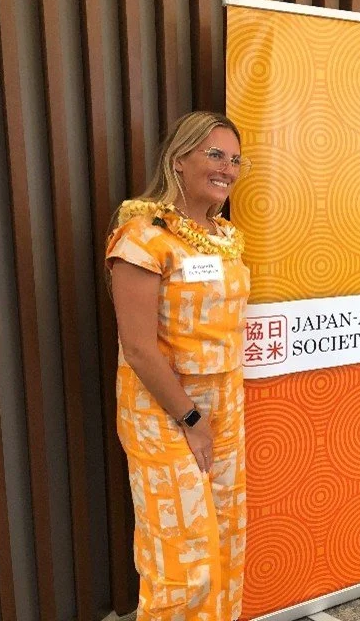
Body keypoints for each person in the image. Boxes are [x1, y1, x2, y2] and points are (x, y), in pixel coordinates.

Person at [106, 111, 252, 620]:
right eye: (215, 154)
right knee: (183, 562)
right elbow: (139, 347)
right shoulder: (143, 237)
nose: (227, 168)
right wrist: (191, 418)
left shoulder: (225, 235)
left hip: (225, 405)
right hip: (165, 411)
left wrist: (213, 415)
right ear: (178, 160)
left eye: (235, 160)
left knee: (227, 541)